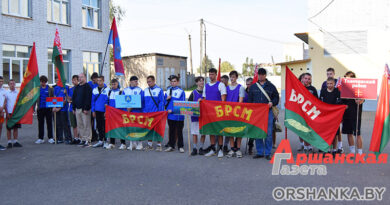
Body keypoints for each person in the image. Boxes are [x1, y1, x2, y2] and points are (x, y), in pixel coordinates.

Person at [249, 68, 279, 160]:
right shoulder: (253, 87)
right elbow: (250, 100)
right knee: (258, 132)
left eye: (262, 74)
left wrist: (272, 103)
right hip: (256, 113)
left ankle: (268, 152)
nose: (261, 76)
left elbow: (276, 98)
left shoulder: (271, 86)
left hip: (268, 112)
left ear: (265, 75)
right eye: (259, 74)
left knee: (268, 132)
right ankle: (260, 152)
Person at [203, 68, 227, 158]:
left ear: (216, 75)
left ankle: (220, 149)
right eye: (209, 74)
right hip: (209, 113)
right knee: (211, 131)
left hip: (218, 113)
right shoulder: (206, 85)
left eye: (212, 74)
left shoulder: (220, 85)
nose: (210, 76)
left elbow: (223, 99)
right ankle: (213, 149)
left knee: (219, 131)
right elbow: (204, 99)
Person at [341, 71, 364, 155]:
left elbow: (362, 100)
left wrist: (359, 100)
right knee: (349, 133)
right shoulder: (343, 89)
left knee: (357, 133)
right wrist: (344, 105)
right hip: (346, 115)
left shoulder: (358, 89)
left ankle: (360, 153)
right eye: (346, 79)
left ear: (354, 79)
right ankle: (352, 151)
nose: (348, 81)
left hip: (356, 115)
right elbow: (341, 101)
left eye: (350, 79)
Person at [226, 71, 246, 158]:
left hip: (237, 113)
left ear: (236, 77)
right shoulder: (226, 88)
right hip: (228, 113)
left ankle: (238, 149)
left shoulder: (241, 87)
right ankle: (232, 148)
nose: (232, 78)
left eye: (233, 77)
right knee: (230, 131)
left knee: (238, 131)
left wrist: (235, 109)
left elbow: (240, 101)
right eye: (230, 77)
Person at [320, 77, 342, 155]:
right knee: (326, 133)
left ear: (334, 84)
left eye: (331, 84)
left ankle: (334, 149)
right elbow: (320, 103)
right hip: (325, 116)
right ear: (326, 83)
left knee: (335, 134)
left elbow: (339, 103)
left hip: (335, 116)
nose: (329, 85)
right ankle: (327, 149)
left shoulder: (337, 91)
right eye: (328, 83)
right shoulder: (323, 91)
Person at [164, 75, 186, 153]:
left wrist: (172, 110)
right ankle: (171, 145)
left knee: (179, 131)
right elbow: (164, 102)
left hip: (179, 115)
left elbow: (182, 104)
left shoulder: (181, 91)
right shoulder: (168, 90)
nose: (173, 83)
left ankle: (180, 146)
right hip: (170, 115)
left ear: (177, 82)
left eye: (174, 81)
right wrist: (166, 99)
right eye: (171, 81)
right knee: (171, 131)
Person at [123, 76, 145, 150]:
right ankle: (132, 143)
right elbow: (122, 101)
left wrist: (131, 107)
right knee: (130, 128)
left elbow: (141, 101)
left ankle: (140, 143)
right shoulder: (125, 90)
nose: (137, 83)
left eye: (137, 81)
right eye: (135, 81)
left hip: (137, 112)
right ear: (131, 82)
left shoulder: (140, 90)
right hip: (128, 112)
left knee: (138, 128)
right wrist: (127, 109)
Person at [143, 75, 165, 151]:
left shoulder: (159, 90)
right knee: (149, 129)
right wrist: (144, 111)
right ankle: (150, 145)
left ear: (154, 81)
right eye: (147, 82)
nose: (148, 83)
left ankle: (159, 145)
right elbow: (143, 102)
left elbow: (161, 102)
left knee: (158, 129)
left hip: (156, 114)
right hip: (148, 114)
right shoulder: (145, 90)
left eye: (150, 81)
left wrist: (160, 113)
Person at [105, 78, 127, 150]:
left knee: (120, 129)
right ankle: (112, 143)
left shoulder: (120, 93)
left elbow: (123, 104)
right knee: (111, 128)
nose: (113, 85)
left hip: (118, 114)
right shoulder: (109, 92)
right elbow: (107, 103)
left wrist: (123, 113)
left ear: (117, 84)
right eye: (112, 84)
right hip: (111, 114)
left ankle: (123, 143)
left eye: (115, 84)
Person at [72, 73, 92, 147]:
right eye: (79, 77)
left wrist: (86, 108)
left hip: (85, 110)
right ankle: (82, 139)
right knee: (80, 125)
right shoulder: (77, 87)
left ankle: (88, 140)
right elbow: (74, 98)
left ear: (85, 78)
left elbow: (88, 99)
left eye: (81, 77)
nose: (80, 78)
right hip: (77, 109)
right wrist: (73, 108)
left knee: (86, 125)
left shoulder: (87, 87)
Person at [301, 72, 318, 153]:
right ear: (302, 79)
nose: (307, 80)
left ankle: (310, 146)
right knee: (303, 130)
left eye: (309, 79)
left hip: (310, 113)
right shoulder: (299, 87)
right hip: (300, 112)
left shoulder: (313, 89)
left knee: (310, 130)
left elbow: (317, 101)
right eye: (306, 78)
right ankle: (305, 146)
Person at [188, 76, 206, 155]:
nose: (201, 82)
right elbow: (188, 104)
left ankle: (201, 147)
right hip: (195, 116)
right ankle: (195, 148)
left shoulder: (206, 92)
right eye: (199, 81)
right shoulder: (193, 92)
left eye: (202, 81)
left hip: (204, 115)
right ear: (196, 83)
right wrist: (196, 103)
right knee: (195, 133)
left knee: (203, 132)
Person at [35, 76, 54, 144]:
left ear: (46, 82)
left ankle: (50, 137)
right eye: (42, 82)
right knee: (40, 124)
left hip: (48, 108)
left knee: (49, 123)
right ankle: (40, 138)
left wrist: (53, 106)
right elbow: (35, 99)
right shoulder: (37, 89)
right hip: (40, 108)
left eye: (44, 82)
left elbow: (52, 97)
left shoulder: (50, 88)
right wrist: (34, 108)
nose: (43, 83)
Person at [91, 76, 109, 148]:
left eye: (100, 80)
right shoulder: (94, 89)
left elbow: (107, 101)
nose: (99, 82)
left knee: (104, 126)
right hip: (97, 110)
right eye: (98, 80)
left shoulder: (107, 89)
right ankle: (100, 140)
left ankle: (105, 141)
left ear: (103, 80)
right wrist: (93, 110)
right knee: (99, 126)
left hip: (104, 111)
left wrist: (106, 111)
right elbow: (92, 101)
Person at [53, 76, 71, 144]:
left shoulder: (66, 87)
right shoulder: (56, 88)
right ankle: (59, 138)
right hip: (57, 109)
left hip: (64, 109)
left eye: (59, 80)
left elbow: (66, 100)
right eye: (56, 80)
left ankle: (68, 138)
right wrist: (54, 107)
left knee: (65, 124)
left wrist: (59, 108)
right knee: (58, 124)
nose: (57, 82)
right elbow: (54, 98)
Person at [4, 79, 22, 148]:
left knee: (16, 128)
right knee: (8, 128)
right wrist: (7, 113)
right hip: (9, 113)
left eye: (13, 83)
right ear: (8, 85)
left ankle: (15, 141)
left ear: (15, 84)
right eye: (11, 84)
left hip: (16, 113)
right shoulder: (6, 93)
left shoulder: (17, 93)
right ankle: (9, 142)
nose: (12, 85)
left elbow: (19, 103)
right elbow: (5, 104)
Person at [244, 78, 255, 155]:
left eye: (250, 84)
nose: (248, 86)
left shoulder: (255, 91)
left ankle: (250, 145)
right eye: (247, 84)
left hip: (254, 113)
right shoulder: (244, 92)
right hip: (245, 113)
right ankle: (235, 145)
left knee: (252, 131)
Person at [68, 75, 80, 144]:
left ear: (78, 80)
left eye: (75, 80)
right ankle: (75, 138)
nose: (73, 81)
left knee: (80, 124)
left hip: (78, 109)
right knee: (74, 125)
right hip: (71, 109)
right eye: (72, 80)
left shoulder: (80, 88)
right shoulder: (71, 89)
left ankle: (81, 138)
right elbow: (69, 99)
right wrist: (67, 96)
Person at [88, 72, 99, 142]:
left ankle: (98, 135)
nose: (93, 81)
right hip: (91, 105)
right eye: (92, 80)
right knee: (91, 122)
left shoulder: (99, 85)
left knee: (97, 123)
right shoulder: (90, 84)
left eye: (94, 80)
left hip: (97, 106)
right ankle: (93, 135)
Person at [0, 77, 7, 150]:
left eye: (2, 81)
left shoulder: (4, 90)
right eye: (0, 81)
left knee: (0, 128)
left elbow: (5, 100)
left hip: (1, 113)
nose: (1, 83)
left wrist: (2, 109)